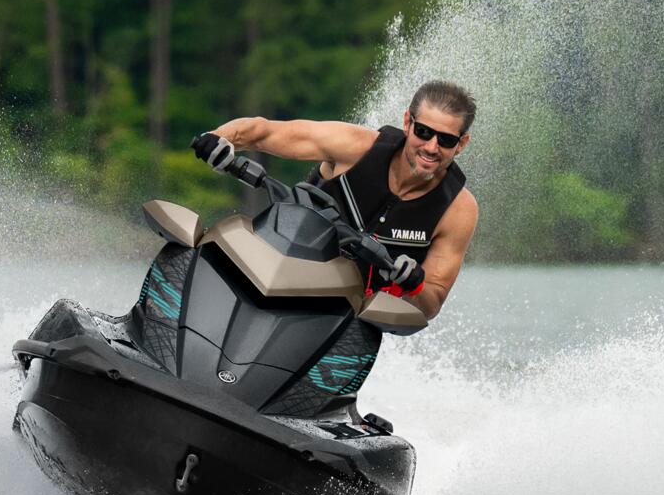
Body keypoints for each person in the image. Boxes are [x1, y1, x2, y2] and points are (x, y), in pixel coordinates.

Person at [189, 80, 480, 321]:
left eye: (446, 140)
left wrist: (414, 284)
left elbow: (432, 302)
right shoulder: (353, 146)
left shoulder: (458, 210)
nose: (431, 147)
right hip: (274, 271)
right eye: (424, 132)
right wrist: (218, 138)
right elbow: (262, 132)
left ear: (462, 144)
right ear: (407, 122)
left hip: (339, 321)